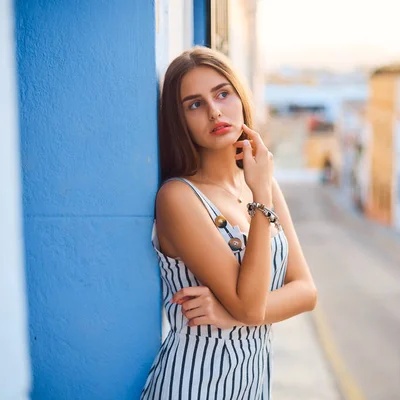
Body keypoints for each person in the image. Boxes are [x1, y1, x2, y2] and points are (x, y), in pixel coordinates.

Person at [140, 46, 317, 400]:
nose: (214, 111)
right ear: (180, 121)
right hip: (193, 384)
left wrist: (230, 315)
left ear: (240, 96)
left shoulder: (261, 182)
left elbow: (306, 292)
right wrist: (262, 202)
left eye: (222, 93)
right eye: (194, 104)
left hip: (252, 383)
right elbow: (252, 307)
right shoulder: (178, 198)